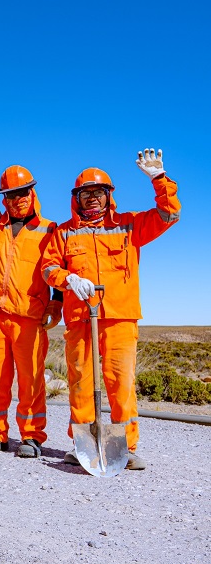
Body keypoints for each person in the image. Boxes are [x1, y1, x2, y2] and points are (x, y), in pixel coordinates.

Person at [42, 148, 180, 470]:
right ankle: (84, 446)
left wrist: (159, 179)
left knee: (121, 383)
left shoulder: (130, 226)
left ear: (108, 196)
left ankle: (126, 448)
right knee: (80, 383)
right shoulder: (63, 233)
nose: (92, 199)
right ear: (77, 198)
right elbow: (48, 268)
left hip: (119, 317)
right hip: (80, 318)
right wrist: (68, 279)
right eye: (86, 193)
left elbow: (170, 214)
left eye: (98, 193)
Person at [0, 126, 63, 459]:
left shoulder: (50, 230)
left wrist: (57, 303)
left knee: (31, 380)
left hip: (30, 315)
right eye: (10, 195)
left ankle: (32, 437)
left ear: (33, 193)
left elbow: (59, 268)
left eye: (22, 193)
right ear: (3, 198)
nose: (16, 199)